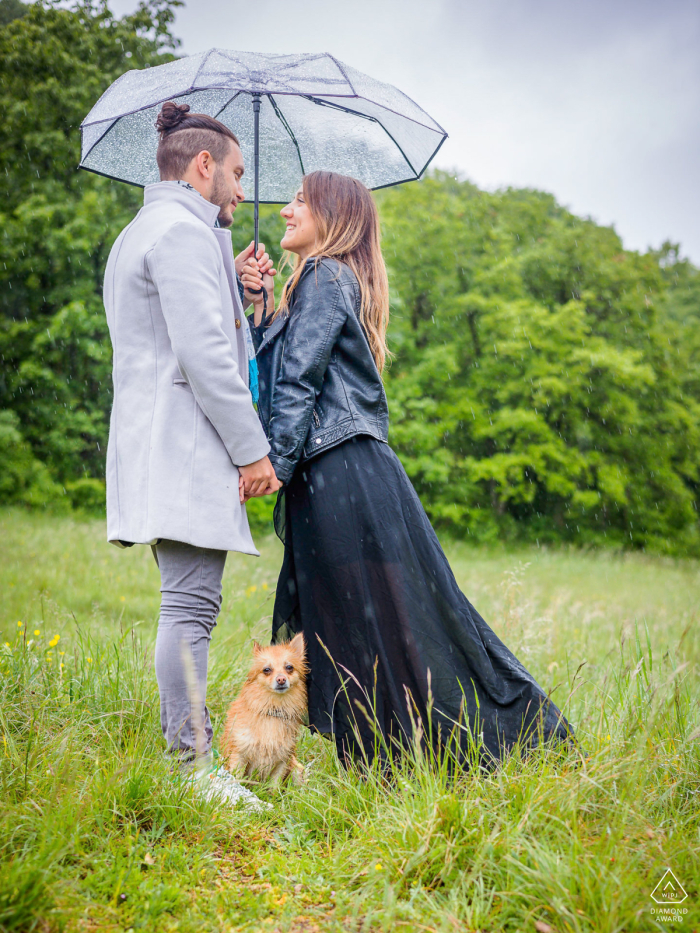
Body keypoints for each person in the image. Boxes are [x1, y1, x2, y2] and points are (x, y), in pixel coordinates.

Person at [242, 171, 574, 768]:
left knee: (376, 617)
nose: (286, 212)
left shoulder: (323, 275)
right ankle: (393, 758)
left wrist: (275, 467)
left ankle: (495, 736)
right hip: (344, 471)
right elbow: (282, 370)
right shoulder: (323, 281)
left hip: (340, 471)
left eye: (299, 201)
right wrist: (264, 305)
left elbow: (298, 383)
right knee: (382, 615)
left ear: (331, 215)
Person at [103, 101, 281, 781]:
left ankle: (191, 761)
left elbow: (179, 330)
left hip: (159, 447)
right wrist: (252, 449)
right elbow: (204, 355)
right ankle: (193, 767)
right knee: (190, 605)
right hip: (184, 448)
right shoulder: (181, 235)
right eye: (237, 172)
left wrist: (234, 287)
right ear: (202, 165)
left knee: (188, 602)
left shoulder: (153, 230)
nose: (242, 189)